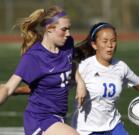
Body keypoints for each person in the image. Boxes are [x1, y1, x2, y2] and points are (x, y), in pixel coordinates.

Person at [71, 22, 139, 135]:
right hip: (87, 130)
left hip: (114, 127)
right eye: (105, 41)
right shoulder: (84, 67)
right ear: (94, 45)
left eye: (113, 41)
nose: (110, 45)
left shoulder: (121, 67)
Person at [0, 5, 83, 135]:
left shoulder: (67, 44)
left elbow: (71, 63)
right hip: (40, 119)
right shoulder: (33, 57)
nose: (68, 34)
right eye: (64, 29)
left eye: (69, 29)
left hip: (58, 118)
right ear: (49, 29)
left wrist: (80, 82)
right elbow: (8, 87)